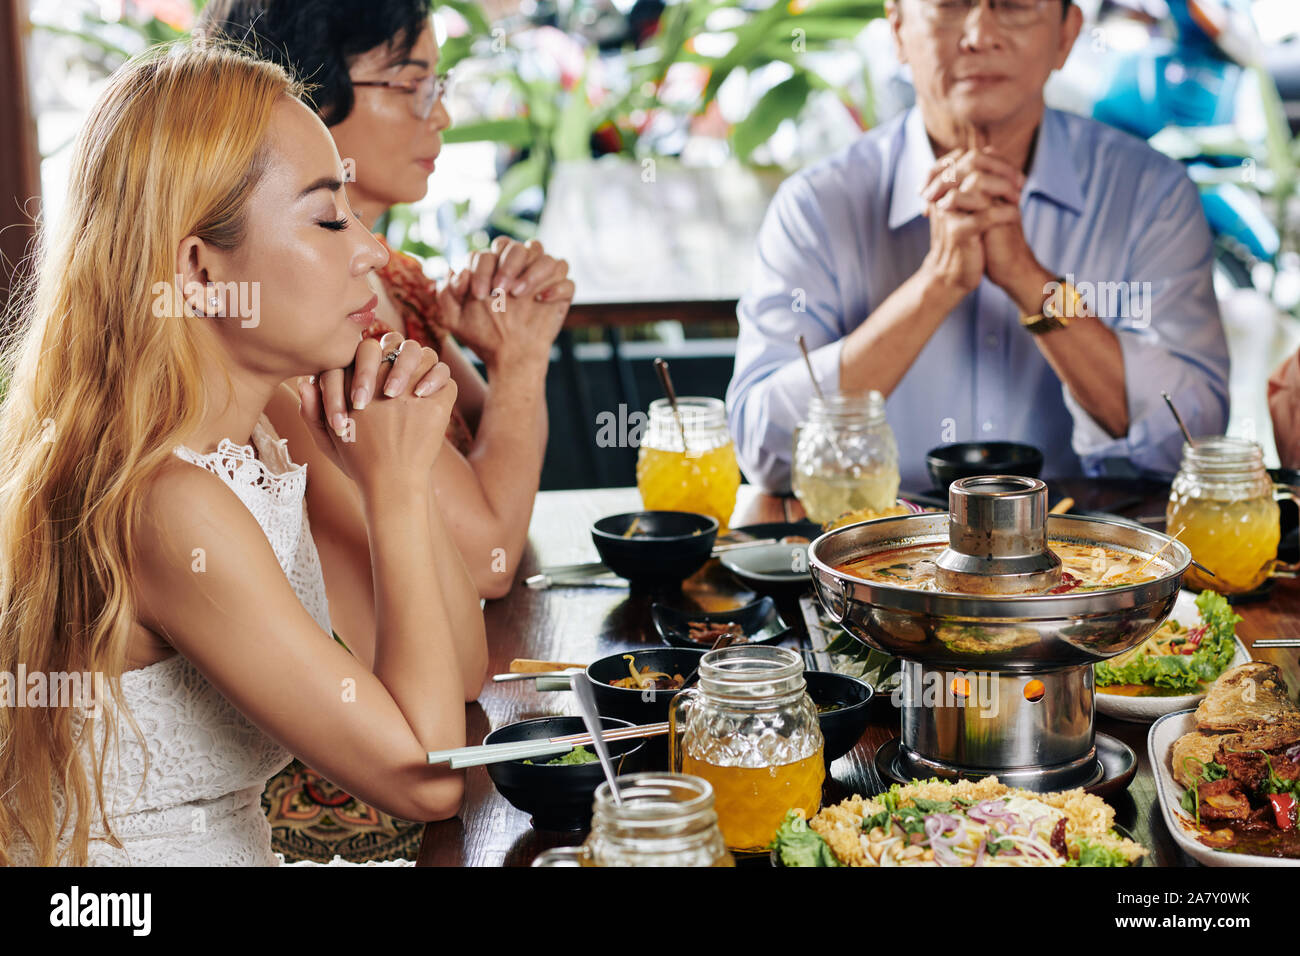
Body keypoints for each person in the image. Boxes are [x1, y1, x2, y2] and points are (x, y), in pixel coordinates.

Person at [0, 42, 486, 866]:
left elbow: (459, 678)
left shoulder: (257, 439)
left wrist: (377, 480)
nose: (369, 248)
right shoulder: (169, 501)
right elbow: (428, 779)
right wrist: (399, 488)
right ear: (199, 271)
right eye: (329, 217)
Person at [727, 0, 1230, 493]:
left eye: (1012, 5)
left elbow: (1194, 440)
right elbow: (764, 451)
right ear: (898, 27)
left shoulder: (1148, 194)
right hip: (874, 559)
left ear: (1066, 33)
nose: (979, 34)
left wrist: (1033, 284)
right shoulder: (817, 205)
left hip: (1089, 564)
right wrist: (936, 285)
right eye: (950, 4)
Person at [200, 0, 575, 600]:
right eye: (411, 85)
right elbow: (488, 557)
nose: (443, 114)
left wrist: (510, 337)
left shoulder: (390, 279)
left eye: (438, 85)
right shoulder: (301, 325)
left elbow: (503, 470)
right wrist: (521, 362)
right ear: (301, 98)